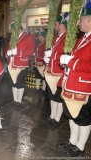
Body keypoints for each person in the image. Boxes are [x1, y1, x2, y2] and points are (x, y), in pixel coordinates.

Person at [56, 2, 91, 157]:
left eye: (80, 19)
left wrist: (71, 62)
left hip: (83, 87)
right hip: (71, 83)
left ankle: (81, 146)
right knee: (71, 114)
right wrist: (66, 62)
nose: (78, 22)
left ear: (89, 20)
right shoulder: (83, 38)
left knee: (83, 118)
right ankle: (72, 141)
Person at [42, 13, 68, 127]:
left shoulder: (68, 38)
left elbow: (66, 54)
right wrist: (46, 57)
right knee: (52, 96)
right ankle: (52, 116)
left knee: (58, 97)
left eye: (56, 24)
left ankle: (57, 118)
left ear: (62, 26)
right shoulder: (55, 38)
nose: (54, 27)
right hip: (51, 71)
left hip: (59, 72)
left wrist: (52, 55)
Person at [6, 23, 35, 107]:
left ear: (19, 28)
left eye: (13, 30)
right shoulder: (13, 38)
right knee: (13, 83)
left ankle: (19, 101)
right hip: (11, 64)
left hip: (21, 64)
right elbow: (8, 47)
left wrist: (18, 52)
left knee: (20, 83)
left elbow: (30, 50)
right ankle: (15, 100)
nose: (12, 32)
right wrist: (7, 53)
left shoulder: (28, 37)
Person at [33, 29, 46, 94]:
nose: (38, 37)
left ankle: (43, 89)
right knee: (37, 75)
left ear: (42, 36)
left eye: (39, 36)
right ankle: (37, 88)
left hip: (42, 62)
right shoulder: (40, 43)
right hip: (37, 62)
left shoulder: (46, 43)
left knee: (43, 76)